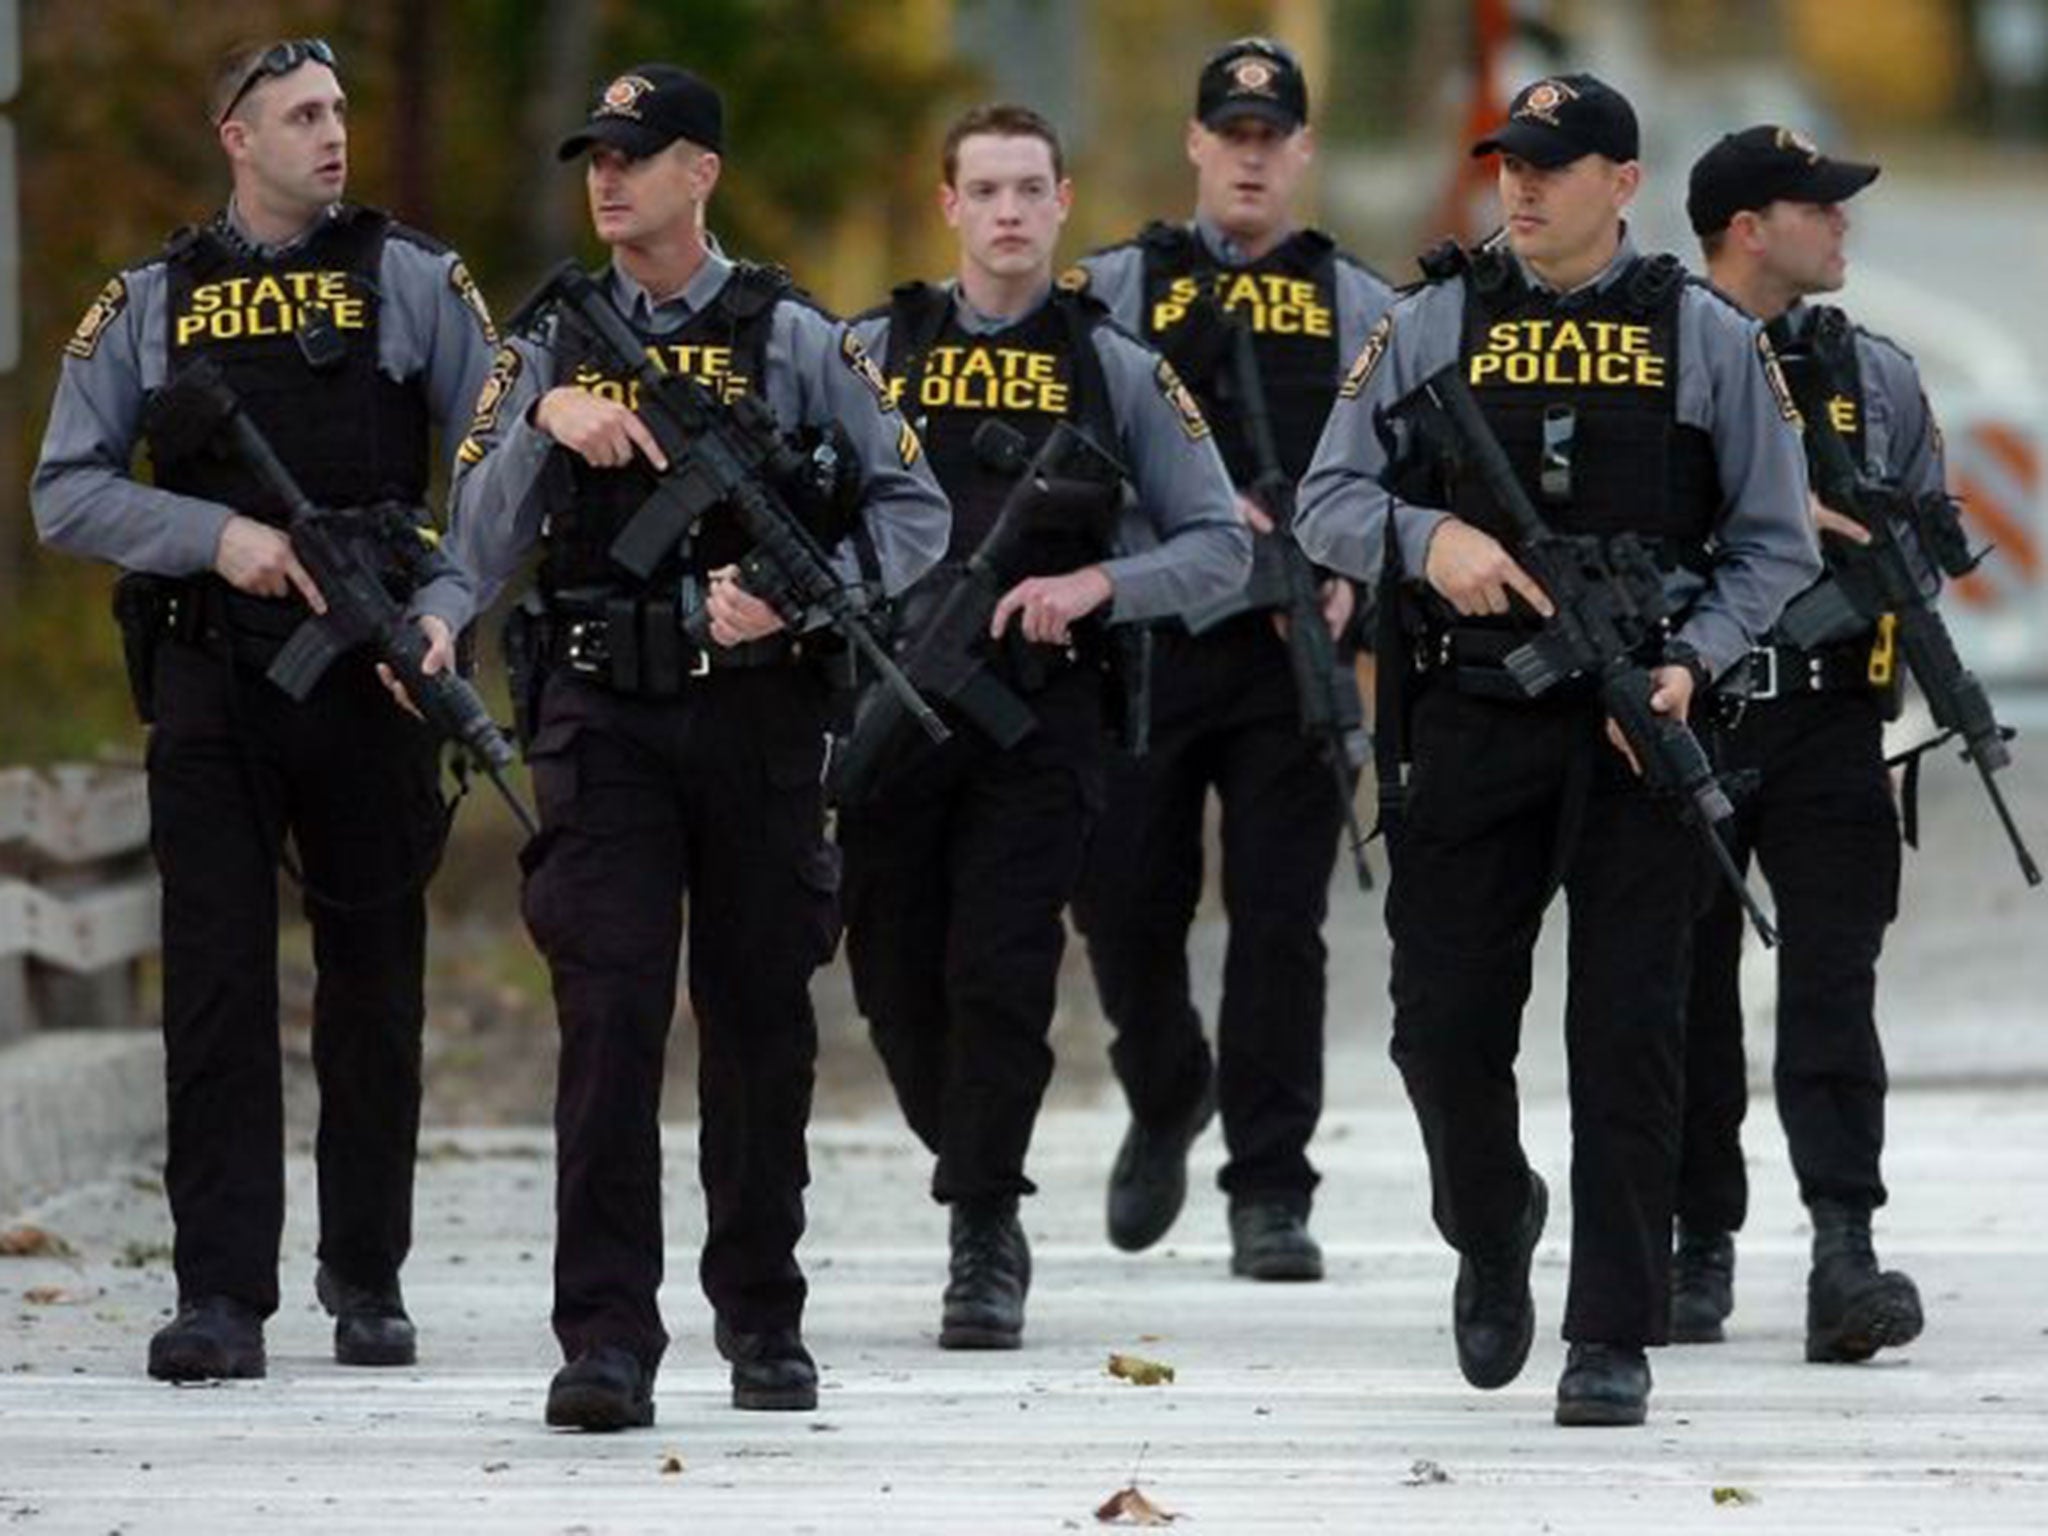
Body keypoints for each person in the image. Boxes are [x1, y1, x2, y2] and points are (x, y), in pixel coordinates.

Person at [1295, 74, 1819, 1426]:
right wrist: (1430, 541)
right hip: (1468, 723)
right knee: (1439, 1028)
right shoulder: (1431, 322)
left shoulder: (1702, 336)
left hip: (1639, 727)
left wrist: (1689, 659)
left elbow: (1775, 544)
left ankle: (1611, 1333)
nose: (1522, 186)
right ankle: (1492, 1216)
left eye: (1555, 166)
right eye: (1512, 164)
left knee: (1631, 1035)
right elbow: (1328, 503)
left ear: (1623, 185)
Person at [446, 64, 949, 1430]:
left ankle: (761, 1312)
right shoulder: (553, 336)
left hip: (759, 717)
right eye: (596, 156)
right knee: (607, 1010)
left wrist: (791, 589)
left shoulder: (792, 336)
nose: (607, 177)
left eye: (637, 154)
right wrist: (538, 418)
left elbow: (915, 512)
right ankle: (605, 1335)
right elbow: (475, 535)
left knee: (760, 1019)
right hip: (601, 709)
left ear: (700, 173)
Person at [31, 38, 496, 1383]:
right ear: (237, 136)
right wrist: (210, 537)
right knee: (218, 990)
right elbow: (65, 490)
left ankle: (368, 1273)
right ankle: (218, 1294)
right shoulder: (148, 301)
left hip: (372, 678)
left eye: (342, 108)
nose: (333, 132)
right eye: (301, 114)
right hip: (212, 676)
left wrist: (446, 609)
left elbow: (498, 468)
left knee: (373, 985)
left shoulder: (411, 280)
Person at [838, 103, 1247, 1350]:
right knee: (895, 985)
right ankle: (967, 1154)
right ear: (947, 204)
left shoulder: (1114, 364)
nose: (1009, 211)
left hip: (1040, 720)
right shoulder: (867, 350)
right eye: (986, 190)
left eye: (1031, 188)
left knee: (1000, 969)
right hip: (890, 711)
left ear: (1064, 204)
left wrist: (1094, 586)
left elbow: (1218, 544)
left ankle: (981, 1232)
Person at [1063, 37, 1394, 1278]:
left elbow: (1406, 459)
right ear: (1196, 144)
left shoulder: (1357, 299)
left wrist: (1349, 568)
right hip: (1147, 645)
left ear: (1300, 152)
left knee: (1278, 924)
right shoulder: (1114, 286)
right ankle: (1164, 1090)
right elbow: (1067, 459)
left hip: (1287, 658)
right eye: (1230, 133)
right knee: (1121, 908)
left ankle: (1270, 1190)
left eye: (1272, 136)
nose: (1249, 155)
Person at [1670, 125, 1931, 1363]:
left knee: (1833, 990)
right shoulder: (1653, 357)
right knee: (1676, 992)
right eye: (1814, 207)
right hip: (1696, 715)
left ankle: (1843, 1248)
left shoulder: (1870, 374)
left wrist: (1871, 547)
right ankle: (1692, 1242)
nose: (1840, 226)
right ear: (1743, 228)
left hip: (1832, 720)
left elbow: (1928, 535)